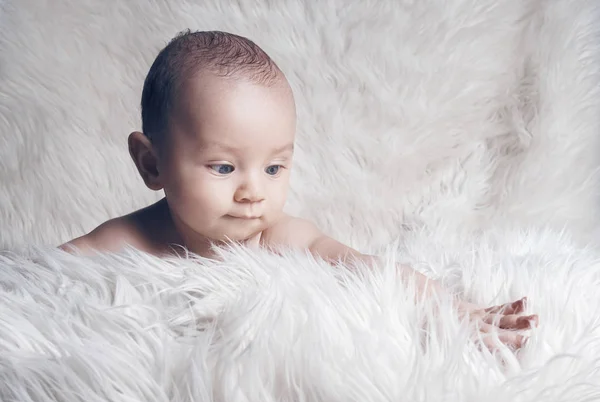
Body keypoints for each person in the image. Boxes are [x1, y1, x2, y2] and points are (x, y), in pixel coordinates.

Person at [60, 30, 538, 349]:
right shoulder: (129, 240)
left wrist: (457, 312)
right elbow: (40, 279)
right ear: (152, 162)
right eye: (224, 167)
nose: (253, 192)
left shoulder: (278, 238)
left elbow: (370, 269)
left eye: (273, 167)